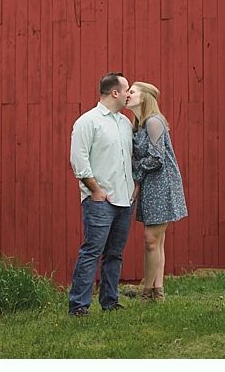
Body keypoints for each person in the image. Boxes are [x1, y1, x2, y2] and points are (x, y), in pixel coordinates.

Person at [67, 72, 135, 316]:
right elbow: (78, 160)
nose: (129, 94)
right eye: (126, 89)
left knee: (114, 254)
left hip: (125, 199)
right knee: (91, 252)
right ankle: (79, 306)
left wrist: (133, 189)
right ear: (114, 92)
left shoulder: (125, 123)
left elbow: (131, 158)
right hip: (100, 200)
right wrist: (95, 190)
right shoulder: (88, 121)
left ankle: (110, 301)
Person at [125, 81, 188, 302]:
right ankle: (157, 292)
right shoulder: (139, 124)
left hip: (162, 185)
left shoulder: (153, 121)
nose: (127, 95)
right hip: (152, 185)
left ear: (144, 98)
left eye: (132, 92)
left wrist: (135, 175)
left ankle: (147, 292)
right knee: (157, 240)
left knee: (151, 239)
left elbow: (156, 158)